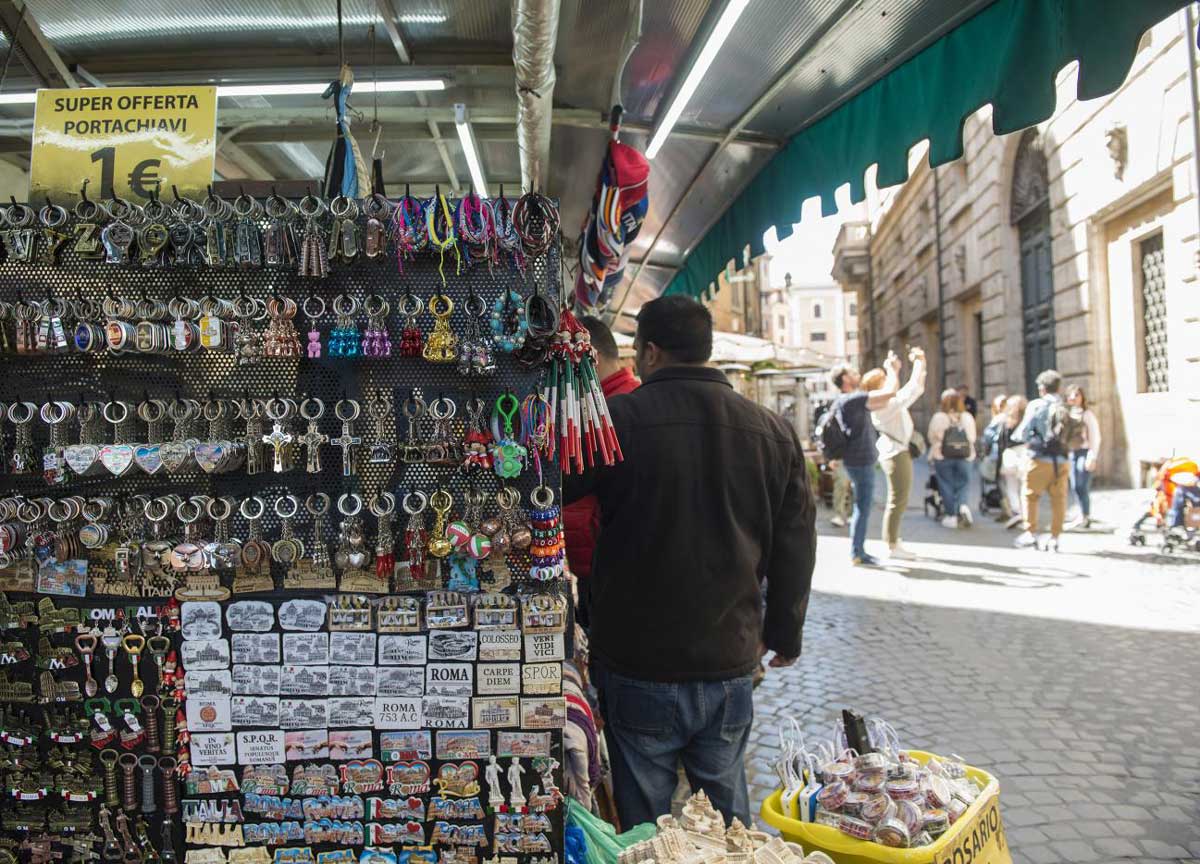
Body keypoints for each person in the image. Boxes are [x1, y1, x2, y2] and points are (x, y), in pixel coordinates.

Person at [563, 295, 816, 828]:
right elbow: (796, 543)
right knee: (726, 815)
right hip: (729, 654)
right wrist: (784, 634)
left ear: (651, 352)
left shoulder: (617, 421)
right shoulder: (770, 430)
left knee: (644, 823)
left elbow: (555, 488)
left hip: (638, 659)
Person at [562, 316, 639, 625]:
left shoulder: (620, 409)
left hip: (608, 567)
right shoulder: (600, 402)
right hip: (594, 563)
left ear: (589, 354)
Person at [828, 356, 900, 566]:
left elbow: (885, 400)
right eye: (852, 372)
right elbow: (890, 392)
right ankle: (857, 552)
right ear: (845, 379)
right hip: (860, 461)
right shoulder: (853, 399)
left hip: (857, 460)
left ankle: (858, 550)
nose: (857, 374)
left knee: (862, 505)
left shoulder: (847, 401)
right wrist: (893, 369)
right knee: (862, 506)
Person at [864, 347, 926, 560]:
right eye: (884, 380)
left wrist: (917, 365)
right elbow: (911, 390)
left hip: (897, 451)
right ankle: (891, 545)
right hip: (895, 453)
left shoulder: (883, 404)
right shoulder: (882, 405)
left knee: (898, 498)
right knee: (898, 499)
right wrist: (914, 364)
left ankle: (893, 541)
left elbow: (913, 389)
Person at [1012, 369, 1074, 551]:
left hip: (1039, 458)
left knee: (1030, 496)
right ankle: (1055, 538)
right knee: (1059, 499)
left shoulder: (1036, 405)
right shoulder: (1065, 406)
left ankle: (1030, 533)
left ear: (1042, 388)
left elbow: (1023, 433)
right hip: (1062, 459)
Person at [927, 389, 978, 528]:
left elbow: (931, 436)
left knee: (946, 485)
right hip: (965, 456)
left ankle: (952, 515)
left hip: (942, 456)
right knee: (963, 484)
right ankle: (962, 505)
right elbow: (972, 437)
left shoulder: (939, 417)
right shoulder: (967, 417)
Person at [1063, 385, 1101, 530]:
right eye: (1071, 395)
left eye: (1077, 395)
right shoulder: (1067, 414)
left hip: (1084, 452)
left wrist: (1092, 456)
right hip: (1071, 453)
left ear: (1082, 397)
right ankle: (1081, 514)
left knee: (1082, 485)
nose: (1073, 398)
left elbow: (1095, 436)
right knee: (1074, 486)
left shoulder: (1087, 414)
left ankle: (1085, 515)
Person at [997, 395, 1028, 529]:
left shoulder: (1007, 420)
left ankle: (1017, 511)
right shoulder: (1027, 418)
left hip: (1011, 453)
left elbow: (1002, 440)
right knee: (1024, 485)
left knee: (1012, 486)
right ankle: (1024, 512)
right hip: (1024, 453)